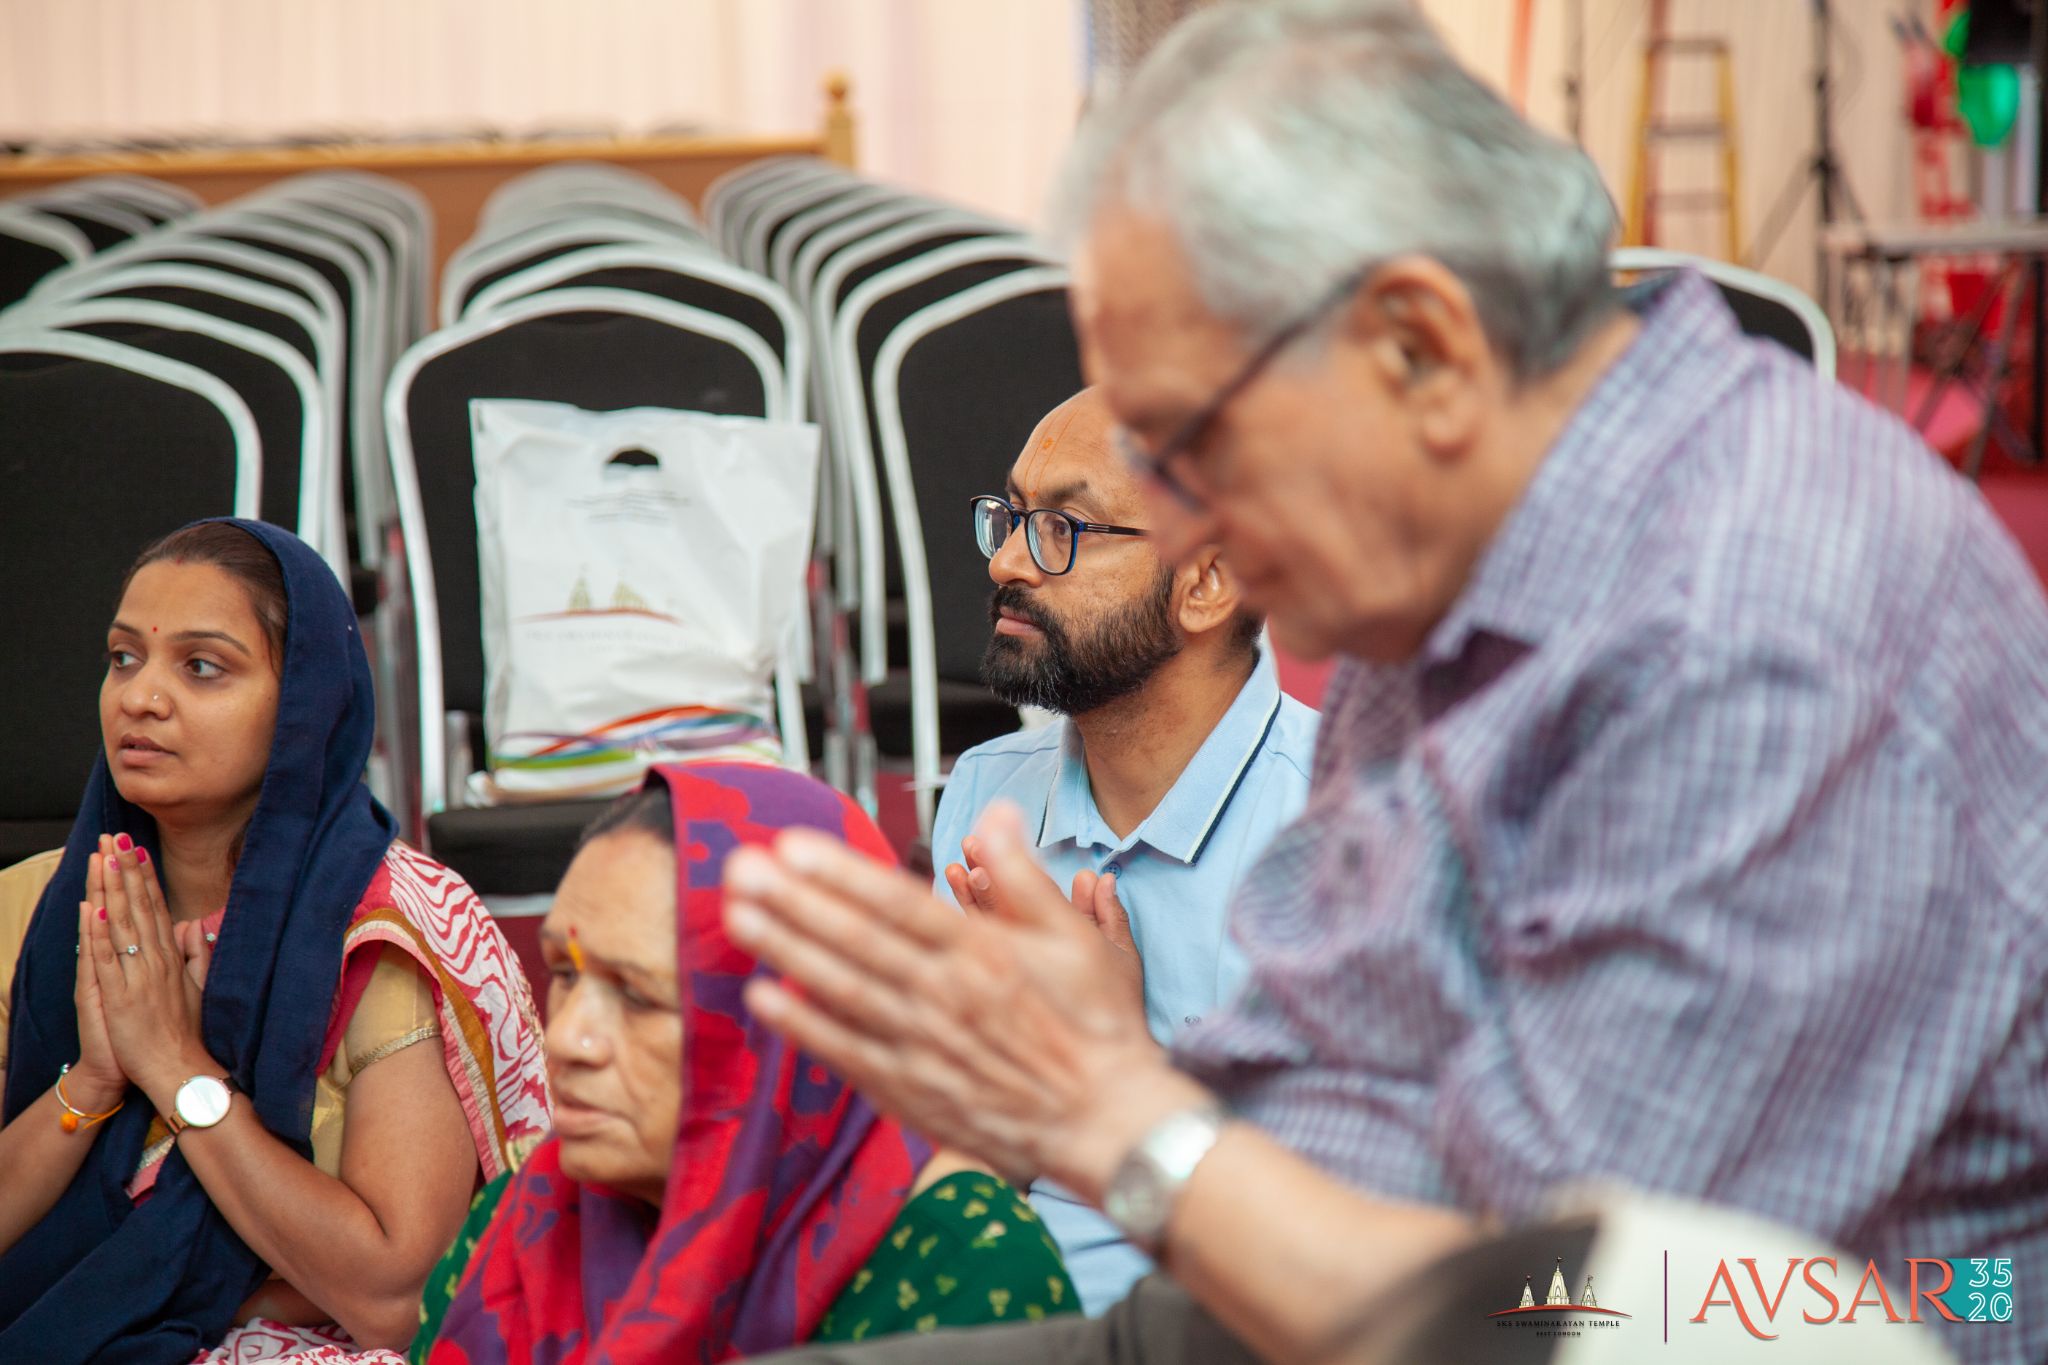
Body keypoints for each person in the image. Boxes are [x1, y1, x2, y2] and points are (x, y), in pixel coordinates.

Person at [716, 3, 2048, 1364]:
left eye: (1188, 444)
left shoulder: (1754, 628)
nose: (1182, 526)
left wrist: (1108, 1113)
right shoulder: (1444, 572)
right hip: (1318, 1292)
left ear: (1420, 346)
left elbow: (1560, 1315)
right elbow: (1320, 1058)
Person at [0, 519, 549, 1365]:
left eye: (202, 666)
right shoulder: (38, 907)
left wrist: (178, 1068)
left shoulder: (387, 929)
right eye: (123, 657)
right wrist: (94, 1080)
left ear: (304, 703)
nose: (140, 697)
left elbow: (390, 1297)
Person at [413, 762, 1078, 1363]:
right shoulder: (524, 1222)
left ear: (788, 1025)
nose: (568, 1039)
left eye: (637, 995)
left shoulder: (959, 1270)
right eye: (563, 970)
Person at [941, 386, 1316, 1312]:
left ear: (1206, 581)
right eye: (1012, 515)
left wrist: (1121, 1067)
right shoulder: (990, 795)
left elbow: (1345, 1254)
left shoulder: (1340, 828)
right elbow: (970, 1183)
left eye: (1063, 524)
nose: (1008, 561)